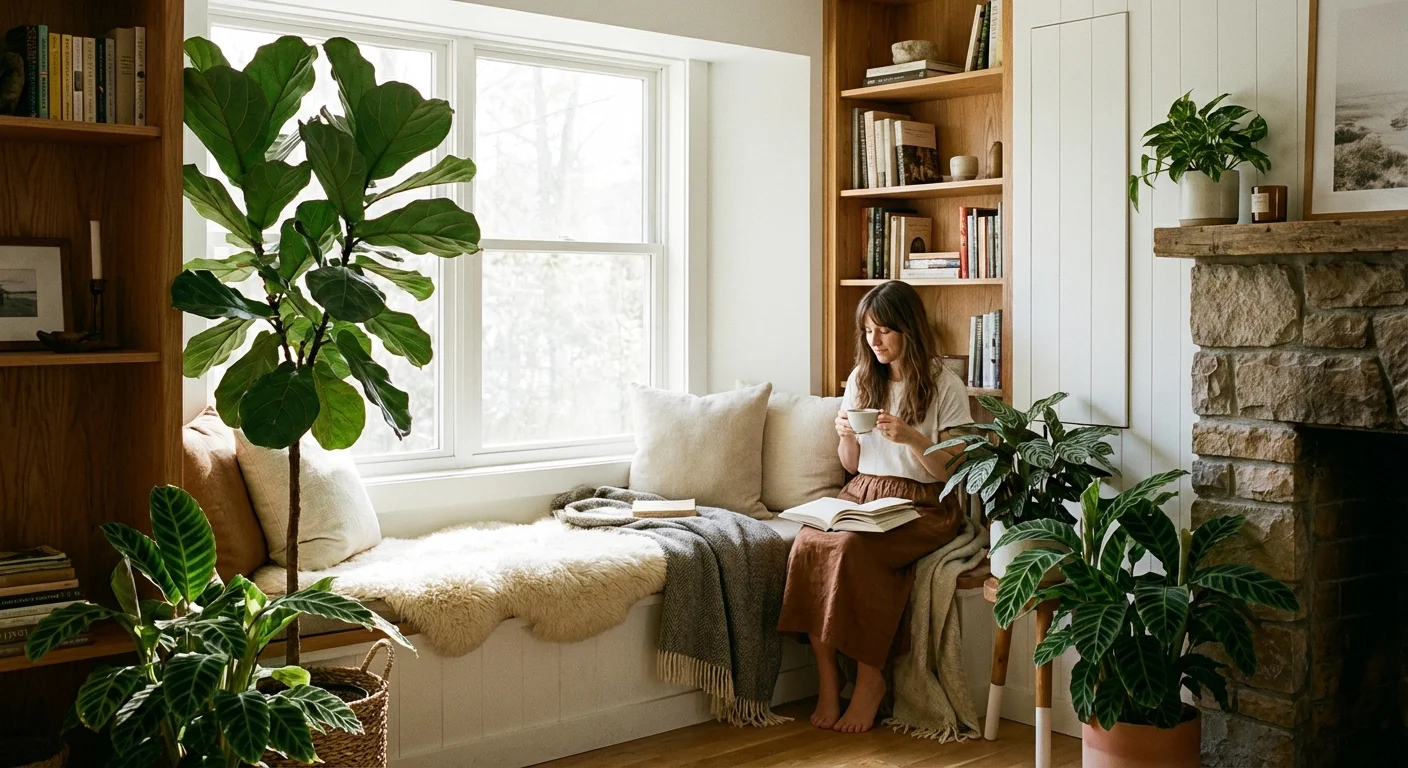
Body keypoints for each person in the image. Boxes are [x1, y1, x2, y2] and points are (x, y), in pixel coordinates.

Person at [776, 280, 972, 733]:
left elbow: (954, 472)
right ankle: (828, 681)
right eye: (868, 332)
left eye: (884, 331)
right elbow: (852, 464)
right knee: (808, 544)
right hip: (864, 490)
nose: (875, 342)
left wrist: (914, 438)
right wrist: (846, 435)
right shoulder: (862, 378)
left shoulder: (945, 383)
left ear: (909, 329)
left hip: (924, 501)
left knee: (852, 550)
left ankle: (869, 681)